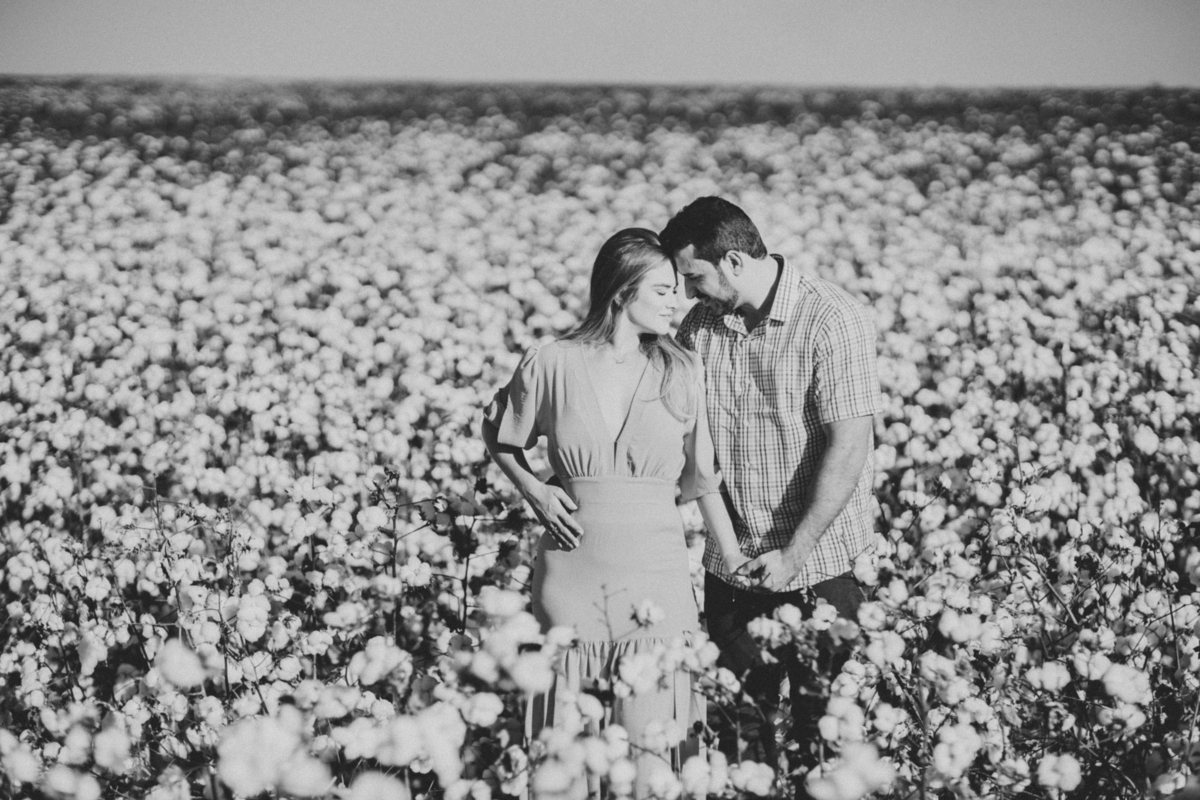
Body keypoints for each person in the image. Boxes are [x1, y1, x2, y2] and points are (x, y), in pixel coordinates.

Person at [481, 228, 746, 798]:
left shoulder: (683, 369)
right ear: (622, 293)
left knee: (654, 762)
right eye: (664, 290)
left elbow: (702, 479)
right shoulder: (552, 361)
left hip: (657, 583)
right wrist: (535, 490)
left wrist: (734, 557)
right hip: (571, 577)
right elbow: (500, 434)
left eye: (678, 289)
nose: (678, 302)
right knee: (568, 767)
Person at [658, 197, 882, 767]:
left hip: (822, 563)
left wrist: (795, 552)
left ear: (733, 261)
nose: (687, 292)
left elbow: (849, 444)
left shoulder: (833, 317)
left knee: (824, 730)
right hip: (733, 563)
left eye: (694, 277)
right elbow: (691, 448)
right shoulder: (701, 325)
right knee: (740, 730)